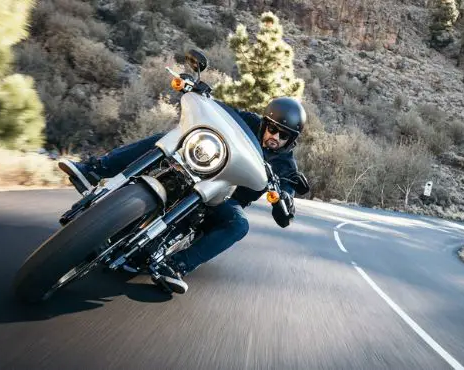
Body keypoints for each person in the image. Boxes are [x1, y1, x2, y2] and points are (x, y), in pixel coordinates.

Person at [57, 97, 306, 292]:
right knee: (166, 140)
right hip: (199, 169)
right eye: (272, 128)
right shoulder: (248, 121)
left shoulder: (286, 165)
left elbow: (287, 194)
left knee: (239, 225)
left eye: (283, 135)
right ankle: (93, 170)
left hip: (223, 200)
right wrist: (201, 94)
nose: (274, 136)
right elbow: (218, 112)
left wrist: (285, 200)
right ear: (265, 122)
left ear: (291, 139)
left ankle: (177, 266)